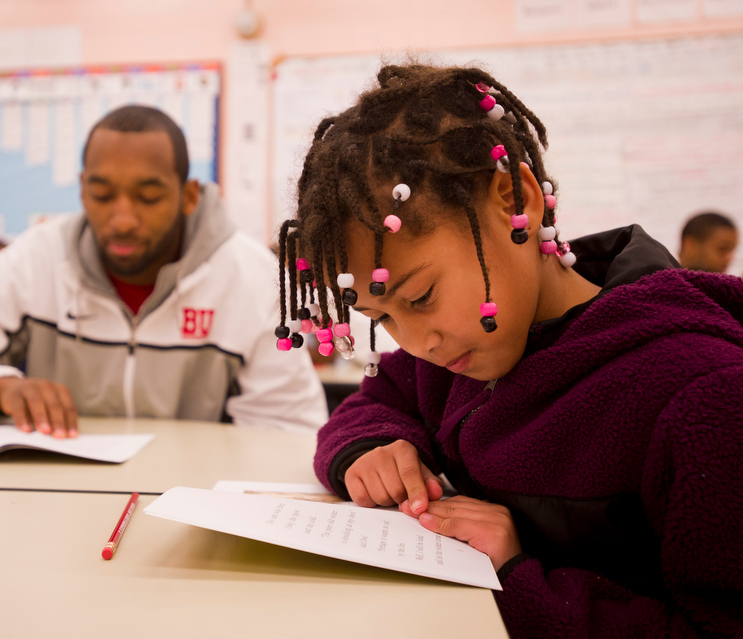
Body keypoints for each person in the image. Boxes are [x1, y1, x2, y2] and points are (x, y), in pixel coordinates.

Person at [274, 64, 742, 637]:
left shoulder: (703, 393)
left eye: (421, 296)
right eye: (382, 317)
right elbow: (380, 396)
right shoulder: (461, 350)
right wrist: (369, 449)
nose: (418, 344)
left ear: (514, 201)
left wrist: (513, 576)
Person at [0, 105, 327, 437]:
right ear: (82, 189)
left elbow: (290, 431)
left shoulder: (251, 279)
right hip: (54, 507)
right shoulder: (36, 260)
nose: (122, 218)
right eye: (103, 194)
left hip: (191, 515)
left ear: (188, 197)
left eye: (147, 196)